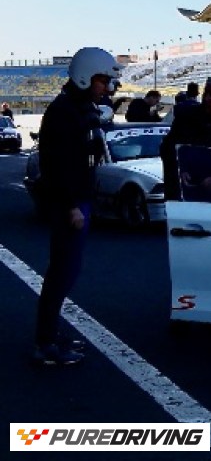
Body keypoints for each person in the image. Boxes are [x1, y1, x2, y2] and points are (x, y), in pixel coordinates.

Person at [34, 47, 121, 366]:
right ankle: (45, 344)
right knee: (61, 273)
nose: (106, 87)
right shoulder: (64, 111)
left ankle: (51, 334)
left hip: (78, 199)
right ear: (86, 77)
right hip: (69, 203)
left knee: (66, 272)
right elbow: (56, 164)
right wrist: (70, 205)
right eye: (102, 80)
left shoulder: (79, 108)